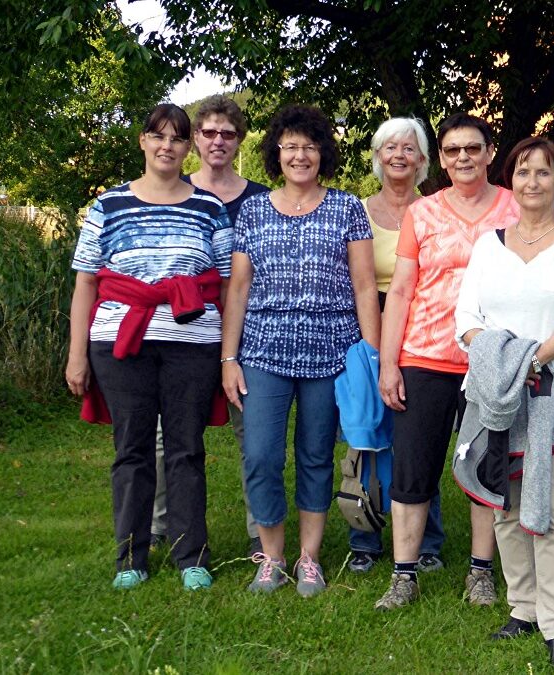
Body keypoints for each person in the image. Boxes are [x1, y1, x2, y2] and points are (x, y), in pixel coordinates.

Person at [65, 103, 230, 591]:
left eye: (177, 139)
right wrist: (76, 355)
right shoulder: (108, 206)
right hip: (121, 342)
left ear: (188, 147)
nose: (167, 146)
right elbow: (86, 284)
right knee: (132, 449)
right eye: (158, 137)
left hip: (191, 345)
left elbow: (222, 284)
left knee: (185, 448)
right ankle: (131, 558)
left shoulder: (209, 208)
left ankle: (191, 555)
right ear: (142, 142)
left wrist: (226, 354)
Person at [455, 137, 554, 669]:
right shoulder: (487, 245)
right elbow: (466, 320)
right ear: (511, 181)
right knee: (505, 507)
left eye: (544, 173)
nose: (532, 182)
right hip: (495, 398)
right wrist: (504, 363)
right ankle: (522, 609)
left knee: (551, 510)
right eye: (523, 173)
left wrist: (528, 361)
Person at [220, 104, 381, 597]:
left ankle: (309, 559)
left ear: (323, 153)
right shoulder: (252, 210)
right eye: (290, 146)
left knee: (315, 456)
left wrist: (369, 358)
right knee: (260, 456)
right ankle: (271, 557)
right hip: (263, 355)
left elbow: (362, 286)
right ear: (276, 153)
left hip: (330, 355)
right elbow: (240, 288)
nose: (300, 155)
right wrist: (228, 358)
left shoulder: (348, 208)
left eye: (310, 146)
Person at [374, 113, 519, 611]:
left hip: (490, 360)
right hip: (425, 357)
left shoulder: (514, 207)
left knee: (484, 470)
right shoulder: (424, 212)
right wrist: (388, 364)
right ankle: (403, 574)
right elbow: (400, 290)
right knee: (412, 470)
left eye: (472, 149)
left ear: (488, 153)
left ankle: (480, 572)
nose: (463, 158)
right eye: (453, 150)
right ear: (442, 156)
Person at [149, 95, 269, 556]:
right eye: (209, 132)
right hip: (186, 332)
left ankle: (261, 532)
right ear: (195, 138)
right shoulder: (174, 192)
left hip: (249, 333)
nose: (218, 141)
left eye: (228, 133)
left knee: (253, 436)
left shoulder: (260, 199)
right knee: (170, 435)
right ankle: (160, 526)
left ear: (239, 141)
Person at [347, 116, 447, 574]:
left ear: (423, 160)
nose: (399, 155)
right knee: (367, 433)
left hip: (424, 328)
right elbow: (360, 283)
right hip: (368, 325)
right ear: (377, 156)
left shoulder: (436, 211)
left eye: (409, 148)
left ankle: (427, 543)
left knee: (418, 435)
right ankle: (363, 536)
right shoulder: (357, 210)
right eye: (390, 147)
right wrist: (375, 350)